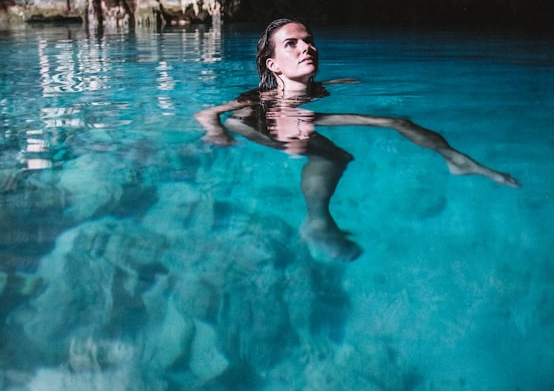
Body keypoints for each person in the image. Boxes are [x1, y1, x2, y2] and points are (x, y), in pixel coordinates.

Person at [194, 18, 520, 261]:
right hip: (257, 123)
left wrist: (336, 82)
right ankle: (317, 221)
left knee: (355, 145)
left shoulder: (319, 89)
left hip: (296, 117)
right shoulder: (259, 96)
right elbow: (208, 113)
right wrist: (215, 131)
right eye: (292, 43)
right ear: (273, 64)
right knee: (375, 130)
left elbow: (307, 97)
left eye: (309, 40)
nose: (307, 47)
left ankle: (454, 160)